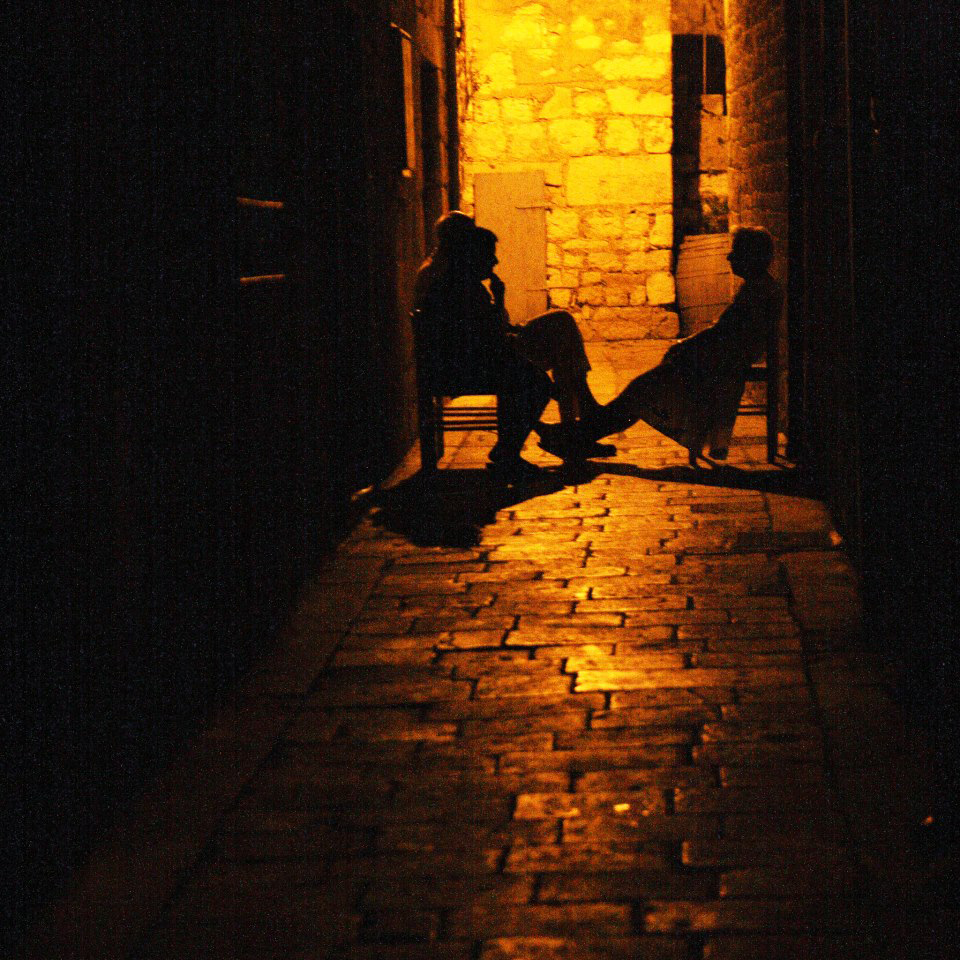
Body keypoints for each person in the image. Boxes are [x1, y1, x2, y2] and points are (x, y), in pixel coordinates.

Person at [559, 226, 783, 467]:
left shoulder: (755, 292)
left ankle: (578, 436)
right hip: (722, 359)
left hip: (719, 364)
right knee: (640, 391)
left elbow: (723, 333)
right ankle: (580, 435)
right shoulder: (761, 288)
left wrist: (684, 346)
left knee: (640, 392)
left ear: (750, 256)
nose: (729, 257)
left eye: (735, 252)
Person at [412, 212, 611, 479]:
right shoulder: (447, 277)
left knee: (561, 327)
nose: (493, 261)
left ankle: (573, 429)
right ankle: (575, 428)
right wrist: (501, 307)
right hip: (467, 363)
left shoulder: (455, 273)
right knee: (553, 349)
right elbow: (485, 333)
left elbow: (483, 327)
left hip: (473, 353)